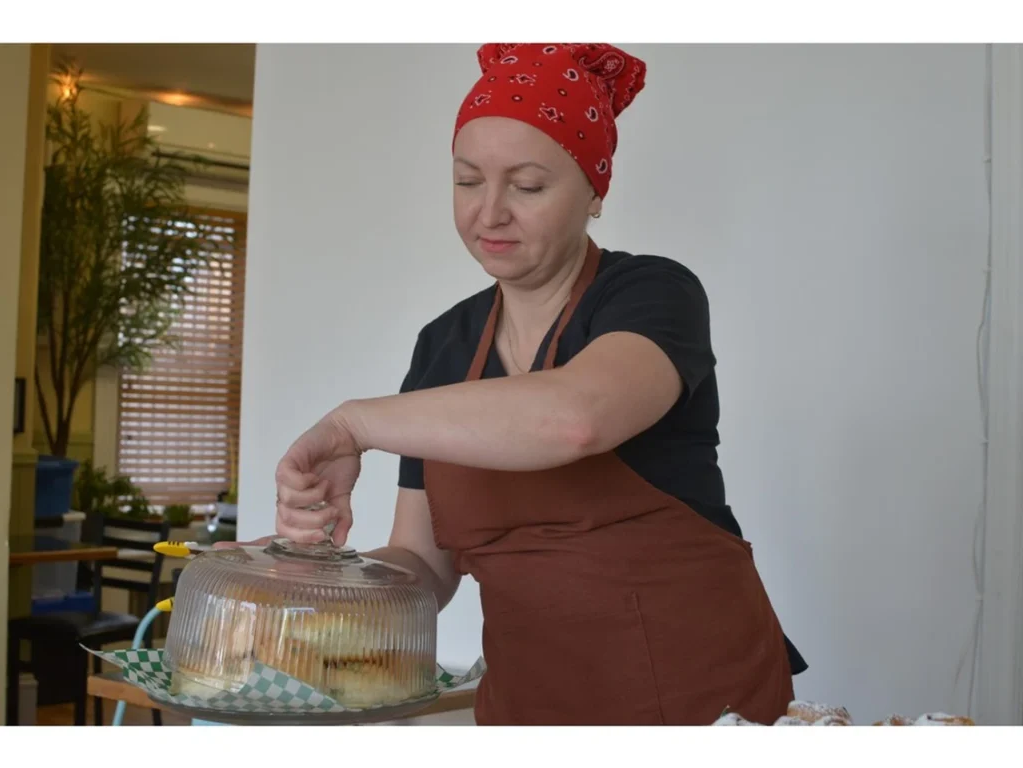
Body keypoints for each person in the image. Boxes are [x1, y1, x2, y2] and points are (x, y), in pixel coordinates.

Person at [251, 42, 807, 725]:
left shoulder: (653, 294)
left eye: (528, 186)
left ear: (594, 191)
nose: (489, 214)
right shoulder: (443, 345)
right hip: (527, 705)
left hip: (698, 697)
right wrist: (321, 580)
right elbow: (425, 564)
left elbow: (576, 418)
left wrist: (353, 423)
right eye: (467, 181)